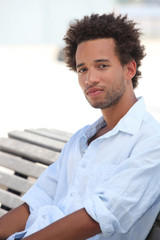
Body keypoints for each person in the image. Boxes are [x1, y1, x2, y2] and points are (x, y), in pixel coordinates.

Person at [0, 12, 160, 240]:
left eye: (102, 66)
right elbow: (38, 201)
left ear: (129, 69)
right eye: (82, 69)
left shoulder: (150, 143)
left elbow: (97, 218)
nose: (89, 79)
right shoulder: (82, 140)